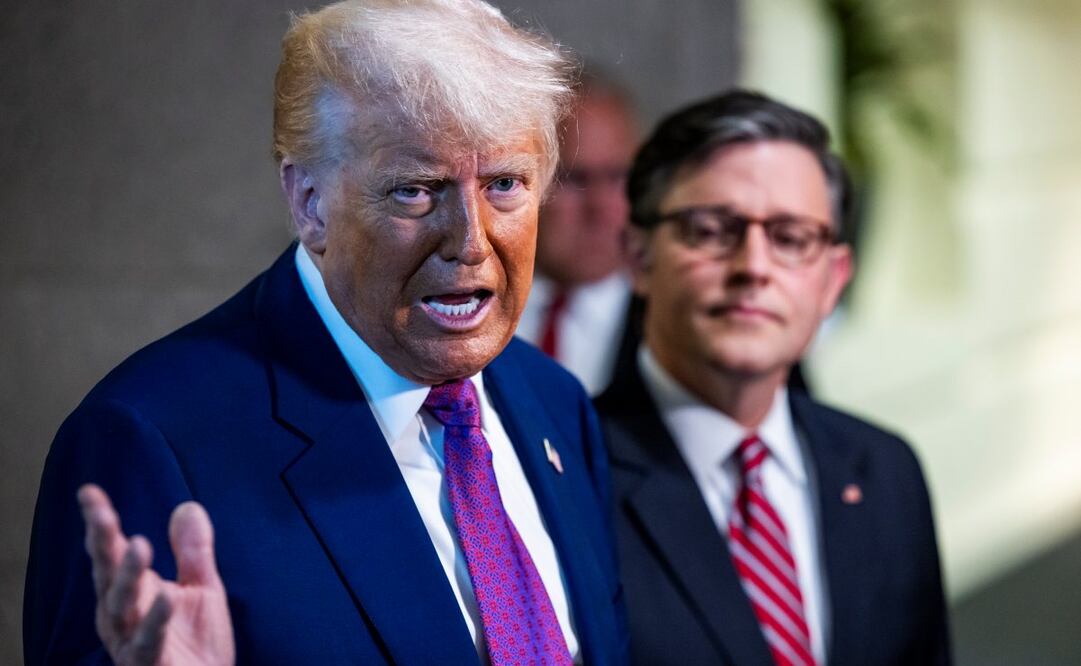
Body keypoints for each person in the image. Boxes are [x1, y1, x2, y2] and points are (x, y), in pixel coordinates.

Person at [23, 1, 628, 663]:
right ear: (309, 202)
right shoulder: (149, 440)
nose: (471, 243)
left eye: (505, 184)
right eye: (417, 190)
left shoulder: (553, 400)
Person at [595, 90, 950, 665]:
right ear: (638, 257)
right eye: (711, 230)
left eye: (790, 239)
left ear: (833, 280)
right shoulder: (568, 476)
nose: (753, 267)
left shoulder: (884, 469)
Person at [516, 72, 638, 395]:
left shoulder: (672, 328)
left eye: (616, 176)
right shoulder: (474, 313)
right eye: (574, 178)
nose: (599, 205)